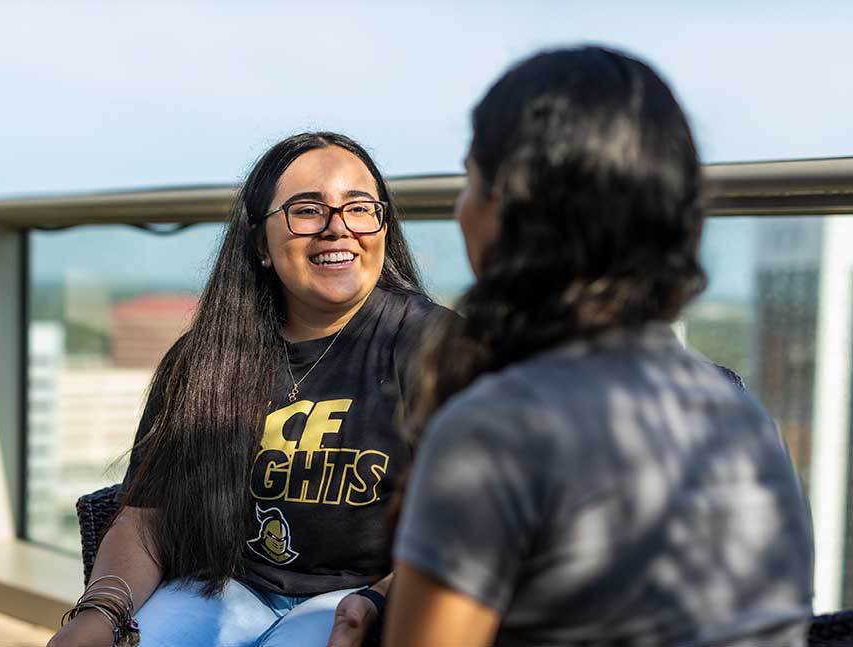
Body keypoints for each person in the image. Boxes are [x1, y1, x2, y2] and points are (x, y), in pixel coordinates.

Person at [386, 47, 814, 647]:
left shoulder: (495, 431)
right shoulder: (739, 415)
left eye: (471, 181)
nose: (460, 208)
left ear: (510, 213)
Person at [49, 132, 444, 647]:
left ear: (383, 226)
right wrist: (98, 613)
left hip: (357, 598)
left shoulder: (436, 349)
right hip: (222, 586)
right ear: (261, 243)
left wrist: (378, 598)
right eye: (307, 210)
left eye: (360, 208)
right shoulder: (205, 357)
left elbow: (471, 529)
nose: (338, 229)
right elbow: (146, 519)